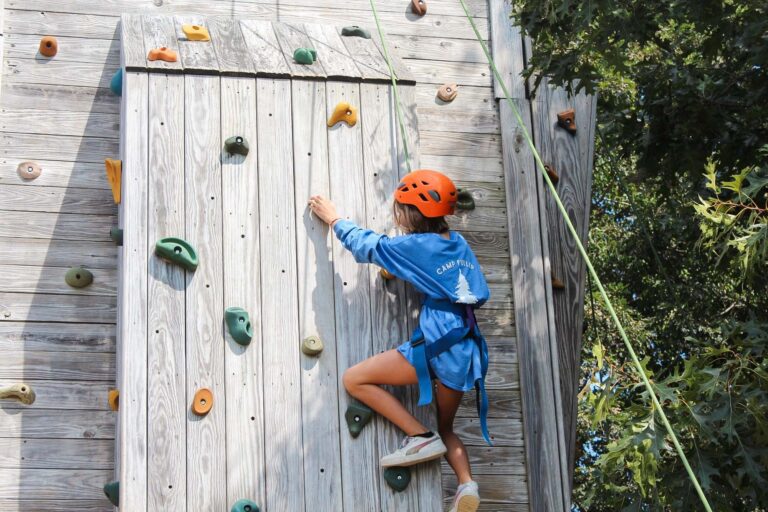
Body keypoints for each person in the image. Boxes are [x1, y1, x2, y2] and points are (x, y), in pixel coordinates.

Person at [308, 169, 491, 512]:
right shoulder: (458, 243)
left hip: (437, 348)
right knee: (448, 427)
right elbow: (473, 291)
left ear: (408, 213)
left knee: (354, 378)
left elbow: (370, 245)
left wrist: (334, 219)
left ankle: (420, 438)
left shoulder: (411, 246)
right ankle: (467, 484)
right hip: (466, 351)